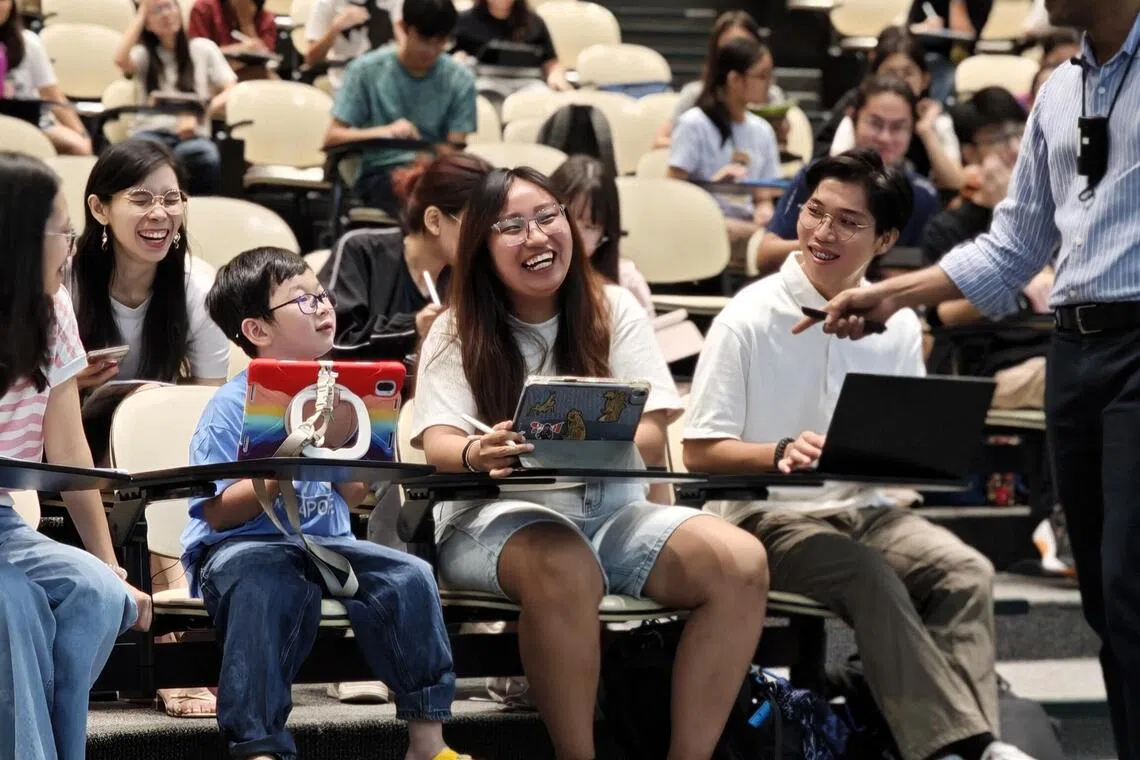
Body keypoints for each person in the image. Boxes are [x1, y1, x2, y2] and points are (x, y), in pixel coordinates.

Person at [796, 2, 1140, 755]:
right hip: (1074, 351)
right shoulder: (1059, 90)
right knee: (1106, 603)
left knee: (1130, 586)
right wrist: (897, 293)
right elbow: (1014, 245)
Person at [684, 148, 1035, 760]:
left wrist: (911, 459)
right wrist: (778, 451)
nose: (823, 231)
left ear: (886, 240)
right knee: (865, 574)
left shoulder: (896, 325)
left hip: (868, 508)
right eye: (815, 211)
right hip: (765, 516)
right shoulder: (746, 317)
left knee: (965, 571)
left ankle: (964, 745)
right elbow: (698, 452)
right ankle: (965, 747)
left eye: (848, 222)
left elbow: (902, 449)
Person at [412, 166, 769, 760]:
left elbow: (652, 432)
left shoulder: (614, 308)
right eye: (512, 226)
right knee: (566, 566)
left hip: (615, 510)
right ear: (482, 247)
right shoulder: (457, 328)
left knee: (741, 563)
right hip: (496, 516)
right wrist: (480, 451)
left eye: (547, 217)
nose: (536, 236)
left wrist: (601, 430)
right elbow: (441, 443)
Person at [183, 245, 472, 760]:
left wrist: (363, 445)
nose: (323, 307)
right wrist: (287, 464)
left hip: (329, 544)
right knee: (263, 584)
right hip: (242, 549)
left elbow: (351, 494)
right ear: (256, 329)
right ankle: (258, 745)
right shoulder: (231, 405)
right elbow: (218, 512)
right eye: (303, 300)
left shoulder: (341, 393)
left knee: (410, 576)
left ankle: (427, 741)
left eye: (322, 295)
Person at [0, 151, 151, 760]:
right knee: (16, 606)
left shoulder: (55, 307)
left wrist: (110, 563)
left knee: (99, 595)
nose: (70, 248)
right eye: (61, 234)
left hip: (4, 519)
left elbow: (67, 447)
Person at [70, 140, 229, 457]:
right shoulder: (63, 282)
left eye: (172, 199)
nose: (159, 213)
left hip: (157, 446)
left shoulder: (199, 287)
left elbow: (208, 404)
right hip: (66, 441)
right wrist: (68, 385)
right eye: (141, 199)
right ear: (99, 209)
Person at [756, 75, 940, 277]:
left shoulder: (923, 194)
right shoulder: (818, 176)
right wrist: (824, 244)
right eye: (875, 123)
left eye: (898, 127)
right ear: (853, 118)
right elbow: (765, 257)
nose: (885, 137)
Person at [320, 152, 492, 361]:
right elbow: (331, 341)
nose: (486, 237)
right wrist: (413, 327)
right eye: (476, 225)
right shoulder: (360, 250)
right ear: (434, 221)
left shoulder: (478, 274)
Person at [325, 0, 476, 217]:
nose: (431, 50)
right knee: (420, 199)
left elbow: (454, 149)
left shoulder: (460, 79)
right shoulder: (365, 71)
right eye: (424, 40)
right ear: (404, 28)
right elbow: (332, 138)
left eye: (441, 42)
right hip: (381, 173)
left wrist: (431, 160)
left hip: (436, 175)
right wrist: (385, 132)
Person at [668, 36, 782, 273]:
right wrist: (714, 184)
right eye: (762, 76)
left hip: (749, 224)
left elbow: (763, 197)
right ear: (735, 80)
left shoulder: (762, 130)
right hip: (705, 222)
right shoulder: (694, 124)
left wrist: (764, 211)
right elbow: (672, 189)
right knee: (771, 242)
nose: (769, 85)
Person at [114, 0, 237, 195]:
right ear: (147, 23)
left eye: (170, 6)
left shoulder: (203, 49)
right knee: (142, 157)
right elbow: (120, 59)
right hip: (150, 133)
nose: (165, 14)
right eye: (156, 11)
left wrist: (204, 112)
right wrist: (142, 13)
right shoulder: (144, 54)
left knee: (204, 156)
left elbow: (232, 88)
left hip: (192, 136)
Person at [820, 27, 963, 189]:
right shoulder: (856, 106)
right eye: (890, 73)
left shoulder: (934, 115)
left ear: (925, 79)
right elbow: (833, 171)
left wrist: (926, 131)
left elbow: (956, 183)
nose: (899, 81)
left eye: (908, 73)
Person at [653, 11, 786, 150]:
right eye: (729, 48)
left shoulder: (771, 98)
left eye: (746, 47)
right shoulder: (695, 97)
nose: (737, 57)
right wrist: (705, 148)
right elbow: (660, 140)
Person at [549, 154, 653, 314]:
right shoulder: (525, 277)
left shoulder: (627, 281)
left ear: (605, 233)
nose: (575, 234)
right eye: (567, 219)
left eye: (590, 226)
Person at [0, 0, 92, 155]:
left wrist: (81, 133)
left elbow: (52, 95)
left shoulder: (29, 43)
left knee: (78, 146)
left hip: (30, 123)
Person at [452, 0, 571, 91]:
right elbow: (452, 58)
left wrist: (555, 75)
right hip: (484, 84)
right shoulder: (463, 22)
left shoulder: (534, 22)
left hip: (528, 85)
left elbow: (551, 62)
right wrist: (458, 60)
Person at [906, 0, 994, 104]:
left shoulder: (981, 2)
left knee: (942, 71)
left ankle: (937, 109)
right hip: (921, 52)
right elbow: (908, 28)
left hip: (956, 58)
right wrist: (924, 26)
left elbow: (964, 37)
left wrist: (957, 3)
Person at [304, 0, 402, 91]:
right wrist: (336, 28)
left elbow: (404, 47)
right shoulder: (326, 3)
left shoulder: (394, 2)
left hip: (387, 81)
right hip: (345, 82)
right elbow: (311, 59)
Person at [188, 0, 277, 80]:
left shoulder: (266, 18)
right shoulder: (204, 8)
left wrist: (246, 23)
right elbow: (198, 54)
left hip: (253, 79)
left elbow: (267, 61)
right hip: (215, 80)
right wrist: (237, 49)